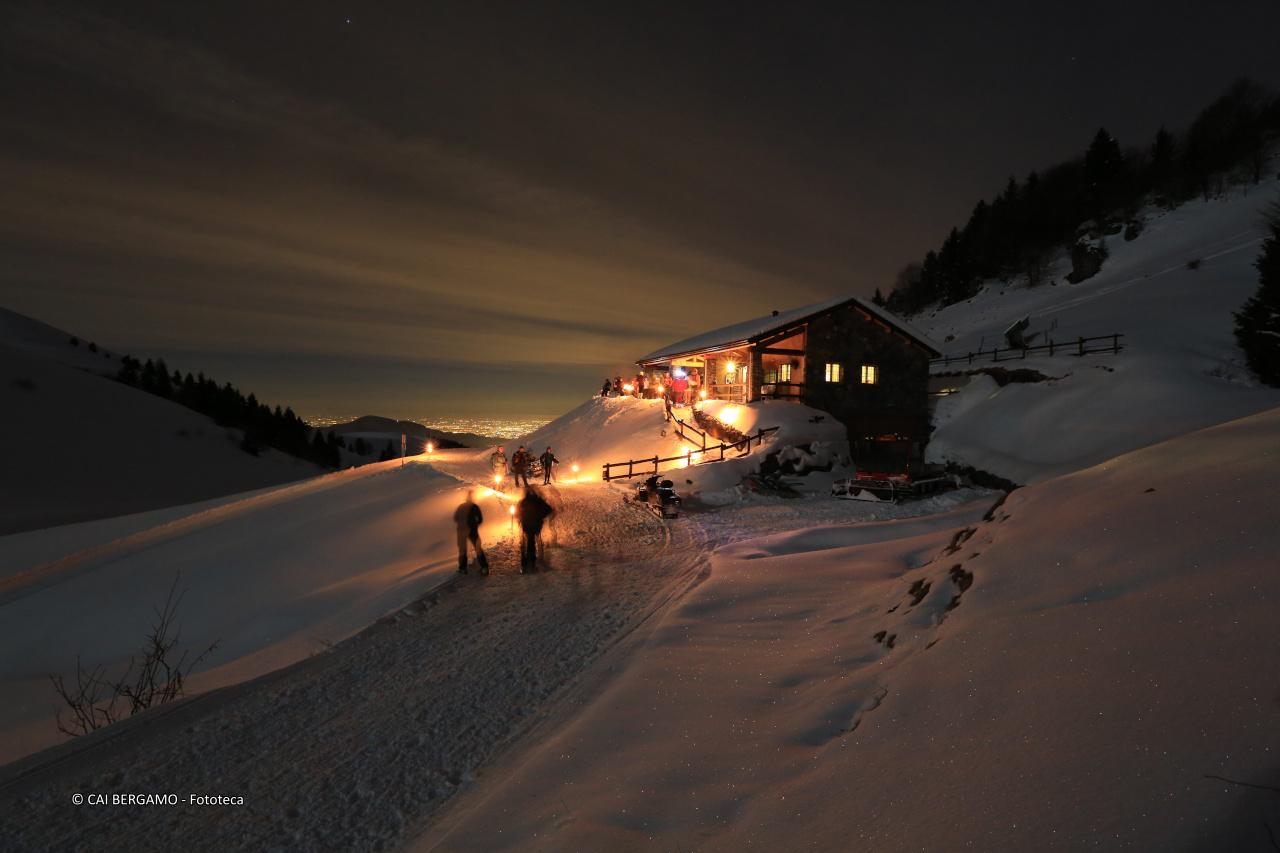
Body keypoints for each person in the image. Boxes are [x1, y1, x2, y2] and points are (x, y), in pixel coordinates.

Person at [516, 486, 554, 572]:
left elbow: (517, 512)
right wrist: (541, 516)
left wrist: (520, 517)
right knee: (531, 540)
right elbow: (549, 509)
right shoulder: (539, 500)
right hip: (536, 525)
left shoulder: (523, 501)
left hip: (526, 525)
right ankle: (531, 559)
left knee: (528, 541)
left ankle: (528, 560)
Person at [452, 490, 488, 575]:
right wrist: (475, 525)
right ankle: (484, 567)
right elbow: (480, 519)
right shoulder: (475, 507)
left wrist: (462, 523)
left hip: (461, 530)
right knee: (477, 548)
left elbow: (455, 518)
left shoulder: (461, 506)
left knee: (462, 549)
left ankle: (463, 568)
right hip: (472, 530)